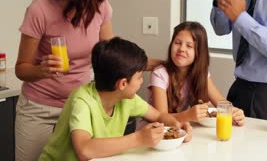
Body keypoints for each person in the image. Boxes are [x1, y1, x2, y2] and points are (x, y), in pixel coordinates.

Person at [15, 0, 160, 161]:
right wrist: (41, 70)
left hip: (85, 106)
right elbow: (21, 68)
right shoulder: (40, 10)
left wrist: (158, 64)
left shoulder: (101, 7)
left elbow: (113, 58)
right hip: (41, 110)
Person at [39, 37, 192, 161]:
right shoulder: (82, 100)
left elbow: (158, 115)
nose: (141, 82)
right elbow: (84, 150)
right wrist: (138, 138)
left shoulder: (127, 97)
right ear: (123, 84)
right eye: (139, 77)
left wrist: (176, 125)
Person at [149, 21, 245, 126]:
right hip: (153, 131)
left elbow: (221, 102)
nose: (181, 49)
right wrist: (188, 115)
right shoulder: (160, 74)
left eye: (189, 46)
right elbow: (161, 117)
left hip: (180, 129)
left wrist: (235, 112)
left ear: (199, 52)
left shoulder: (201, 74)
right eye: (177, 43)